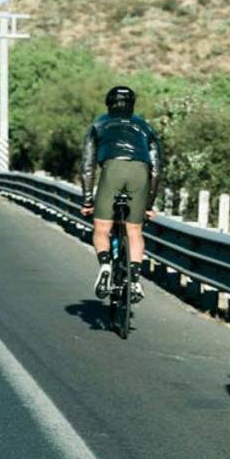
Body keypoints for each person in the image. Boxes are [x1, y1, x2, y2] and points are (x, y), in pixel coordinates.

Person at [80, 85, 162, 303]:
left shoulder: (98, 124)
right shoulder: (145, 126)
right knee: (134, 231)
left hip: (113, 170)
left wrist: (88, 201)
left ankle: (106, 265)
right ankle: (134, 279)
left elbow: (88, 166)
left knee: (102, 229)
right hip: (140, 172)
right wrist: (147, 206)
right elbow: (157, 169)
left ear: (108, 104)